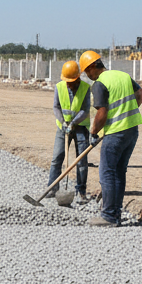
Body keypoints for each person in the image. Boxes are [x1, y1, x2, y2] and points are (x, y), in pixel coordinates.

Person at [79, 50, 142, 227]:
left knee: (107, 172)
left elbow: (102, 113)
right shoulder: (122, 76)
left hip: (115, 133)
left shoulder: (100, 84)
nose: (87, 75)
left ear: (94, 66)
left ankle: (109, 216)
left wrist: (94, 132)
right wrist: (125, 113)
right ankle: (115, 213)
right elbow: (141, 94)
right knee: (119, 172)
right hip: (132, 130)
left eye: (87, 71)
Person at [48, 60, 90, 204]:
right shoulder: (59, 87)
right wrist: (64, 122)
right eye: (66, 81)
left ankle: (81, 191)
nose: (67, 84)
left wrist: (73, 123)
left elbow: (85, 110)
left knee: (81, 161)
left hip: (81, 128)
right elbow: (56, 107)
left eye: (70, 81)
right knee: (57, 158)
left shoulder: (85, 87)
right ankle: (52, 188)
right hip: (62, 127)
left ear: (77, 78)